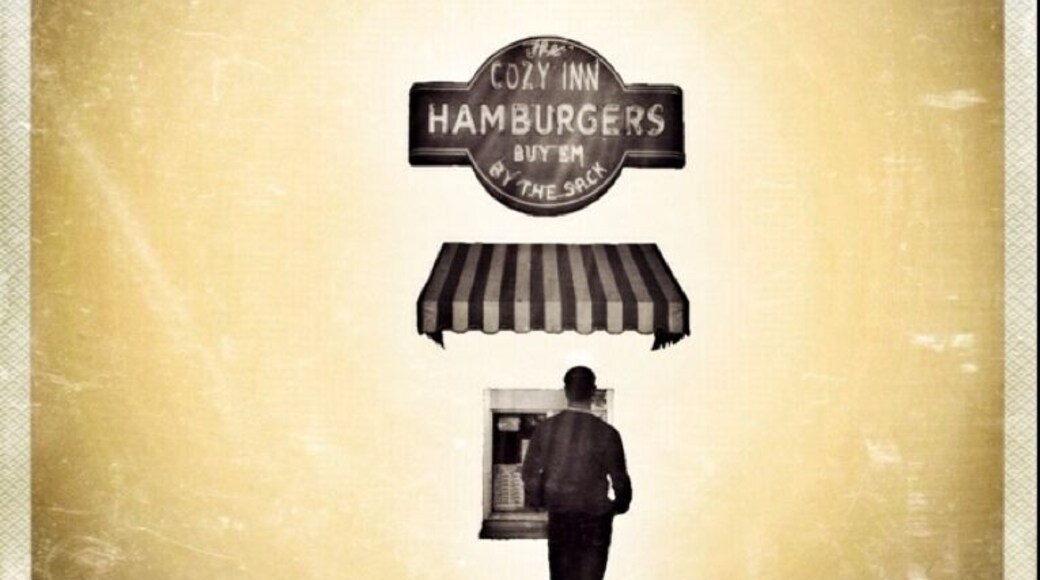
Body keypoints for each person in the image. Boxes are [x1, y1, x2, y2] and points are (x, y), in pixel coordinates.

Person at [521, 366, 632, 580]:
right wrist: (616, 507)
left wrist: (541, 500)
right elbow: (620, 480)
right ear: (593, 391)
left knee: (562, 575)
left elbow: (529, 473)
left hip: (561, 515)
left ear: (566, 391)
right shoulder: (607, 433)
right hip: (596, 520)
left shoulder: (546, 429)